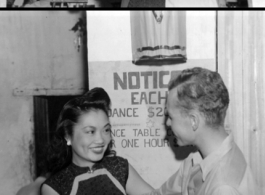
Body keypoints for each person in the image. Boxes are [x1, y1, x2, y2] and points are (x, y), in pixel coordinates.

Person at [146, 67, 257, 195]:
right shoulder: (197, 160)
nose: (167, 123)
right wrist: (124, 170)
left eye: (171, 117)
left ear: (194, 121)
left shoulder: (224, 188)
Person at [40, 87, 153, 195]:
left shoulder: (120, 168)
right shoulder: (54, 187)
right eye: (90, 131)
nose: (100, 139)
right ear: (68, 136)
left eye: (106, 130)